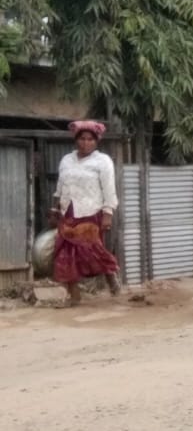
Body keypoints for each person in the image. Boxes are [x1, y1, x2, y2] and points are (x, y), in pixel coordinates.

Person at [49, 120, 121, 306]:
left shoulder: (102, 161)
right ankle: (74, 295)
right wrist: (55, 208)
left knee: (92, 250)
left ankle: (109, 274)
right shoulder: (67, 160)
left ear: (96, 142)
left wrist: (108, 212)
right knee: (64, 252)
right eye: (82, 139)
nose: (86, 143)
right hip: (69, 211)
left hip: (91, 211)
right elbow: (60, 186)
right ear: (76, 140)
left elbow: (109, 188)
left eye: (90, 139)